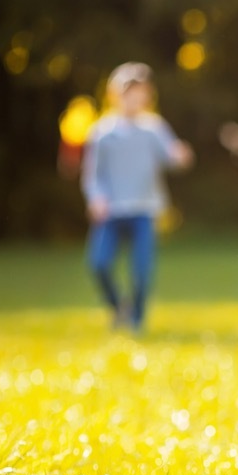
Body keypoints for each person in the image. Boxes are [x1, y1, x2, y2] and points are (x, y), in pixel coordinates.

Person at [80, 62, 193, 332]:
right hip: (111, 211)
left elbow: (172, 157)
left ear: (148, 95)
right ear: (114, 94)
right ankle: (118, 307)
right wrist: (96, 198)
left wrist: (181, 156)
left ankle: (137, 320)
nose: (134, 98)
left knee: (141, 271)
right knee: (98, 263)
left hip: (144, 209)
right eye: (128, 92)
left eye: (140, 92)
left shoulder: (154, 129)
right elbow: (93, 175)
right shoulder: (102, 133)